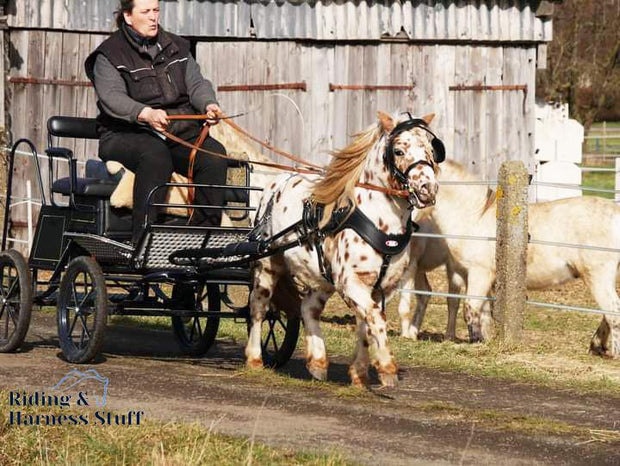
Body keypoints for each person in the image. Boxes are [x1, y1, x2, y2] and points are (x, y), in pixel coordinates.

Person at [85, 0, 228, 245]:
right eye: (146, 12)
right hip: (124, 133)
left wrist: (208, 104)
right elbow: (112, 98)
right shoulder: (109, 54)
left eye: (156, 10)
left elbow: (196, 84)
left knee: (214, 155)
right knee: (155, 155)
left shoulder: (177, 47)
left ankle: (202, 245)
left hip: (176, 132)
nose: (153, 17)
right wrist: (146, 113)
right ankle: (143, 243)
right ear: (128, 17)